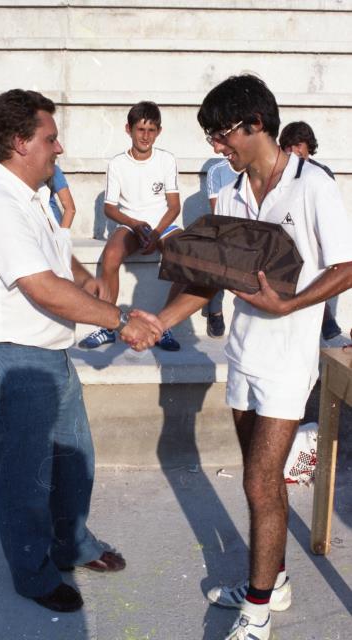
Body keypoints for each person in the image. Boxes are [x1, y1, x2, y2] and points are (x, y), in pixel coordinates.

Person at [134, 75, 352, 639]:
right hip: (243, 356)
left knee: (260, 482)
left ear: (255, 124)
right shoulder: (227, 192)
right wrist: (159, 321)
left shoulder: (313, 186)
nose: (215, 146)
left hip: (287, 361)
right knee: (263, 484)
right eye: (211, 135)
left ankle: (257, 613)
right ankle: (271, 581)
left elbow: (346, 265)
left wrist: (292, 304)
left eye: (221, 133)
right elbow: (207, 281)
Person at [0, 89, 162, 613]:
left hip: (47, 357)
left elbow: (58, 264)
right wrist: (120, 320)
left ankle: (71, 545)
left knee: (75, 463)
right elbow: (42, 287)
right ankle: (33, 573)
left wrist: (90, 284)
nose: (60, 148)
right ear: (21, 142)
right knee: (27, 479)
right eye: (50, 138)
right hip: (12, 361)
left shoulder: (33, 197)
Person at [79, 100, 182, 351]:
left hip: (163, 225)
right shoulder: (117, 163)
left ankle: (163, 327)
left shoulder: (166, 159)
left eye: (151, 130)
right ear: (129, 129)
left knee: (184, 257)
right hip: (131, 223)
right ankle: (107, 325)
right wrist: (136, 224)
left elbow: (174, 206)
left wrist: (156, 232)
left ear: (159, 131)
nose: (145, 136)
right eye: (140, 129)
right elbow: (110, 208)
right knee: (111, 256)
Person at [279, 120, 341, 340]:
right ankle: (326, 319)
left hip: (312, 243)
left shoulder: (320, 174)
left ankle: (325, 317)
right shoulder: (281, 172)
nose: (294, 151)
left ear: (308, 147)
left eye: (299, 145)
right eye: (289, 146)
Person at [204, 158, 238, 337]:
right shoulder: (217, 170)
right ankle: (215, 310)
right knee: (219, 250)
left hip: (253, 229)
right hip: (224, 228)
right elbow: (218, 213)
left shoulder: (256, 167)